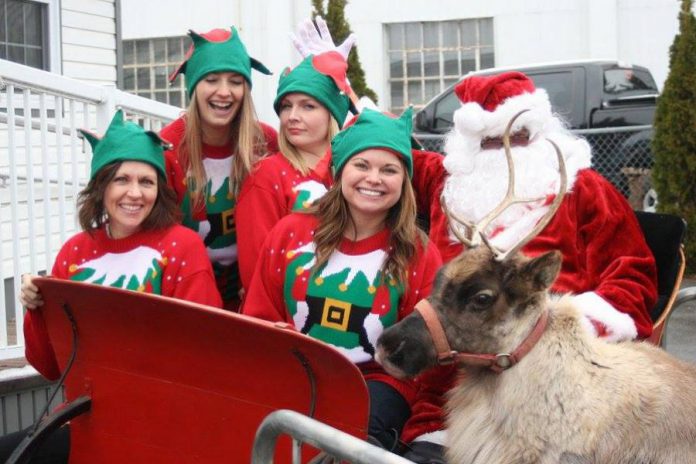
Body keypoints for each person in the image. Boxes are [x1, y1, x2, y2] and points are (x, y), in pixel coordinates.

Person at [400, 71, 658, 463]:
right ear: (467, 144)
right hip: (448, 380)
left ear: (537, 130)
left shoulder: (582, 188)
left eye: (515, 139)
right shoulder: (447, 184)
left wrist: (574, 328)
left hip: (553, 377)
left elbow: (631, 271)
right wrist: (340, 91)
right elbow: (379, 154)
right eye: (486, 144)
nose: (500, 154)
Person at [8, 110, 221, 463]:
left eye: (146, 181)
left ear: (159, 189)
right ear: (102, 185)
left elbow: (204, 354)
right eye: (121, 179)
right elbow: (51, 367)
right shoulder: (75, 253)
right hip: (84, 417)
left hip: (160, 425)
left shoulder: (181, 247)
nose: (134, 193)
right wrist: (35, 310)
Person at [243, 108, 443, 451]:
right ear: (339, 171)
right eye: (361, 165)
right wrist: (270, 338)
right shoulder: (291, 234)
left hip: (379, 382)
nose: (374, 178)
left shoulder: (419, 253)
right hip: (295, 371)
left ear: (404, 181)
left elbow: (422, 354)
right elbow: (259, 315)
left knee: (352, 446)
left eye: (389, 170)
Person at [161, 26, 278, 310]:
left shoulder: (265, 142)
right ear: (194, 87)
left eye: (236, 81)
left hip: (252, 294)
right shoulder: (168, 149)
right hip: (186, 294)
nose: (224, 92)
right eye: (211, 79)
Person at [236, 49, 353, 290]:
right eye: (286, 106)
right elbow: (256, 268)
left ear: (331, 114)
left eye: (308, 106)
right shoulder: (266, 175)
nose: (292, 116)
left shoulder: (353, 172)